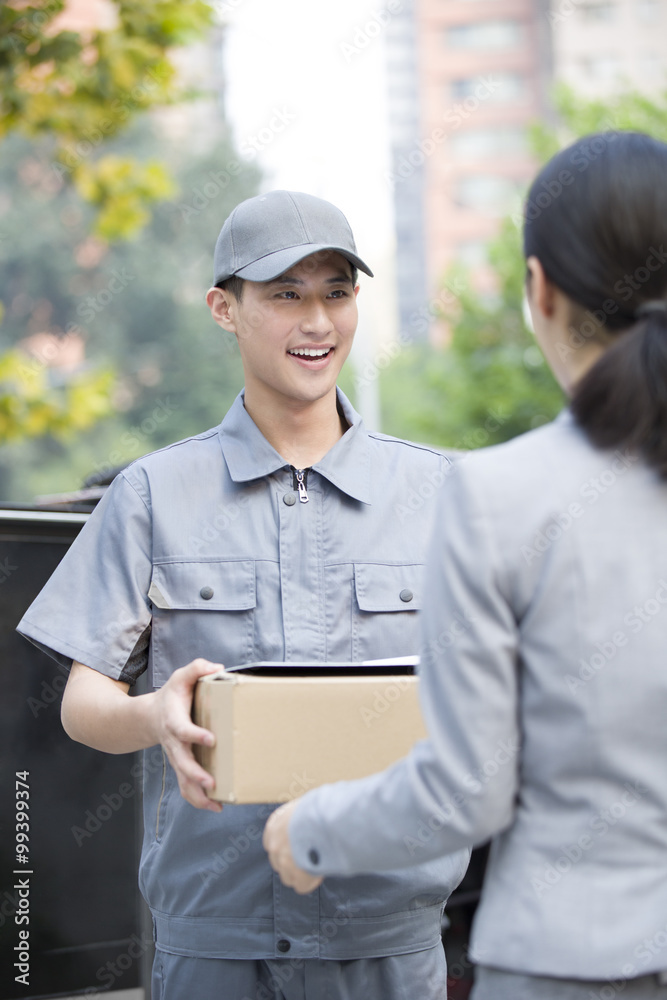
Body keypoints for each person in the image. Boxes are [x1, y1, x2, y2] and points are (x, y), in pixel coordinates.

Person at [17, 190, 469, 1000]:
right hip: (213, 949)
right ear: (223, 308)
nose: (317, 321)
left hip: (388, 947)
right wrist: (155, 714)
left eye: (335, 292)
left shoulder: (442, 495)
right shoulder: (153, 494)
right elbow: (81, 705)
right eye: (285, 294)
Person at [264, 133, 667, 999]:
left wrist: (310, 830)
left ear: (539, 290)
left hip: (571, 966)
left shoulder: (497, 494)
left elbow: (464, 793)